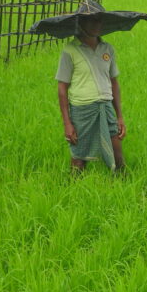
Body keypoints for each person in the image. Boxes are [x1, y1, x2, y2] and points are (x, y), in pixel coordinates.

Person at [56, 14, 126, 174]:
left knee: (118, 157)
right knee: (79, 159)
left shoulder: (107, 49)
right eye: (93, 20)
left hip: (106, 107)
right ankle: (72, 193)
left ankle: (123, 187)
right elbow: (62, 88)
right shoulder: (70, 50)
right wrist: (67, 123)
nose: (98, 24)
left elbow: (114, 82)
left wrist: (119, 116)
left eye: (100, 20)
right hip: (82, 110)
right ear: (81, 23)